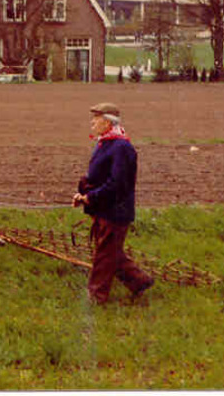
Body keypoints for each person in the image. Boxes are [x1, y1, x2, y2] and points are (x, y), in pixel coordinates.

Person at [72, 102, 154, 304]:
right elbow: (97, 177)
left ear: (108, 122)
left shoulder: (121, 148)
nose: (92, 122)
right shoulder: (106, 143)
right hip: (104, 209)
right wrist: (82, 194)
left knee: (104, 256)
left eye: (96, 118)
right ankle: (139, 281)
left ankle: (96, 297)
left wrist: (92, 197)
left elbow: (117, 184)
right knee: (111, 253)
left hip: (115, 212)